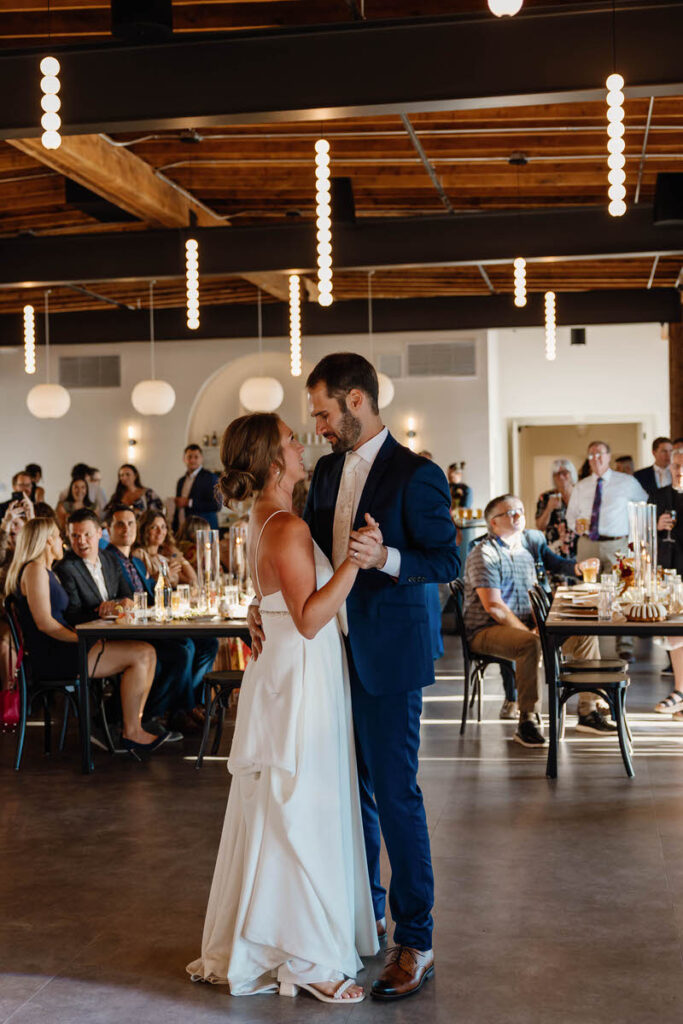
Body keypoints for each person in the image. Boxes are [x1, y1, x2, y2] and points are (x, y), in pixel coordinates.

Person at [251, 352, 458, 1000]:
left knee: (396, 795)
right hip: (327, 656)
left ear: (356, 403)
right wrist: (263, 612)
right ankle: (362, 919)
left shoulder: (416, 474)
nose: (315, 425)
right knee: (352, 793)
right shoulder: (329, 470)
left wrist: (387, 555)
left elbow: (445, 557)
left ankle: (415, 939)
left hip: (390, 655)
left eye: (321, 412)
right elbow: (301, 558)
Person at [187, 412, 377, 1002]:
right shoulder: (287, 526)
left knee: (283, 811)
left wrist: (258, 605)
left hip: (287, 672)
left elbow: (277, 599)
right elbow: (311, 617)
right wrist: (355, 560)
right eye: (292, 440)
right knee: (301, 810)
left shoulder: (262, 520)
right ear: (274, 461)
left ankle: (278, 941)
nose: (302, 445)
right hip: (298, 677)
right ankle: (306, 959)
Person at [464, 493, 616, 745]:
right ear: (493, 523)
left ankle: (588, 712)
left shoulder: (527, 546)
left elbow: (541, 580)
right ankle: (527, 720)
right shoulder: (484, 553)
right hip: (485, 630)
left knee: (583, 632)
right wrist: (531, 632)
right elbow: (495, 607)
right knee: (530, 644)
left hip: (525, 626)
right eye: (510, 513)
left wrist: (539, 628)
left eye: (520, 511)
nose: (518, 516)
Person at [6, 516, 163, 754]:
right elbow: (45, 623)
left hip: (64, 649)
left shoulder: (45, 571)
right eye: (60, 537)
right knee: (142, 653)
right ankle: (131, 732)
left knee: (146, 652)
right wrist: (81, 639)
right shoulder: (35, 570)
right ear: (48, 540)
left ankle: (131, 727)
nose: (63, 542)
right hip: (56, 657)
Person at [106, 504, 215, 734]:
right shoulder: (116, 558)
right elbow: (124, 599)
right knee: (184, 648)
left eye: (130, 523)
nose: (126, 529)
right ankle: (179, 711)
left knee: (208, 643)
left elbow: (150, 595)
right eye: (120, 524)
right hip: (132, 630)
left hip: (152, 621)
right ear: (108, 529)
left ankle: (190, 705)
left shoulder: (133, 561)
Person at [566, 439, 648, 661]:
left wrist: (635, 538)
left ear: (609, 456)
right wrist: (576, 526)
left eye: (600, 454)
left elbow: (644, 505)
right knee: (587, 592)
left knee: (622, 591)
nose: (596, 459)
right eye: (591, 455)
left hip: (617, 544)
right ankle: (587, 645)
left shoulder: (627, 482)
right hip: (587, 543)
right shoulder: (581, 486)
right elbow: (571, 516)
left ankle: (625, 645)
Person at [133, 510, 197, 587]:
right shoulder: (139, 554)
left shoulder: (163, 558)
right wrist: (164, 576)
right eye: (154, 527)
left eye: (163, 527)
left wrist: (178, 555)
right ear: (145, 530)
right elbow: (142, 586)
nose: (160, 531)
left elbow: (192, 581)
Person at [535, 458, 578, 563]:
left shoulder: (581, 495)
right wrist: (549, 508)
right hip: (554, 551)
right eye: (556, 474)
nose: (561, 476)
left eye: (565, 472)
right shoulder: (546, 497)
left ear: (572, 474)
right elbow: (540, 526)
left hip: (579, 549)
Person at [173, 444, 220, 531]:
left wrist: (189, 503)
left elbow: (216, 505)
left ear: (201, 458)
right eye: (189, 457)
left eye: (196, 457)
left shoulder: (211, 478)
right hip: (183, 529)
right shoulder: (181, 481)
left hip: (205, 529)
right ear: (184, 459)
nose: (192, 460)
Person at [634, 436, 673, 501]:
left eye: (671, 451)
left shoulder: (678, 473)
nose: (668, 455)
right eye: (664, 451)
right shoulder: (640, 475)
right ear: (654, 453)